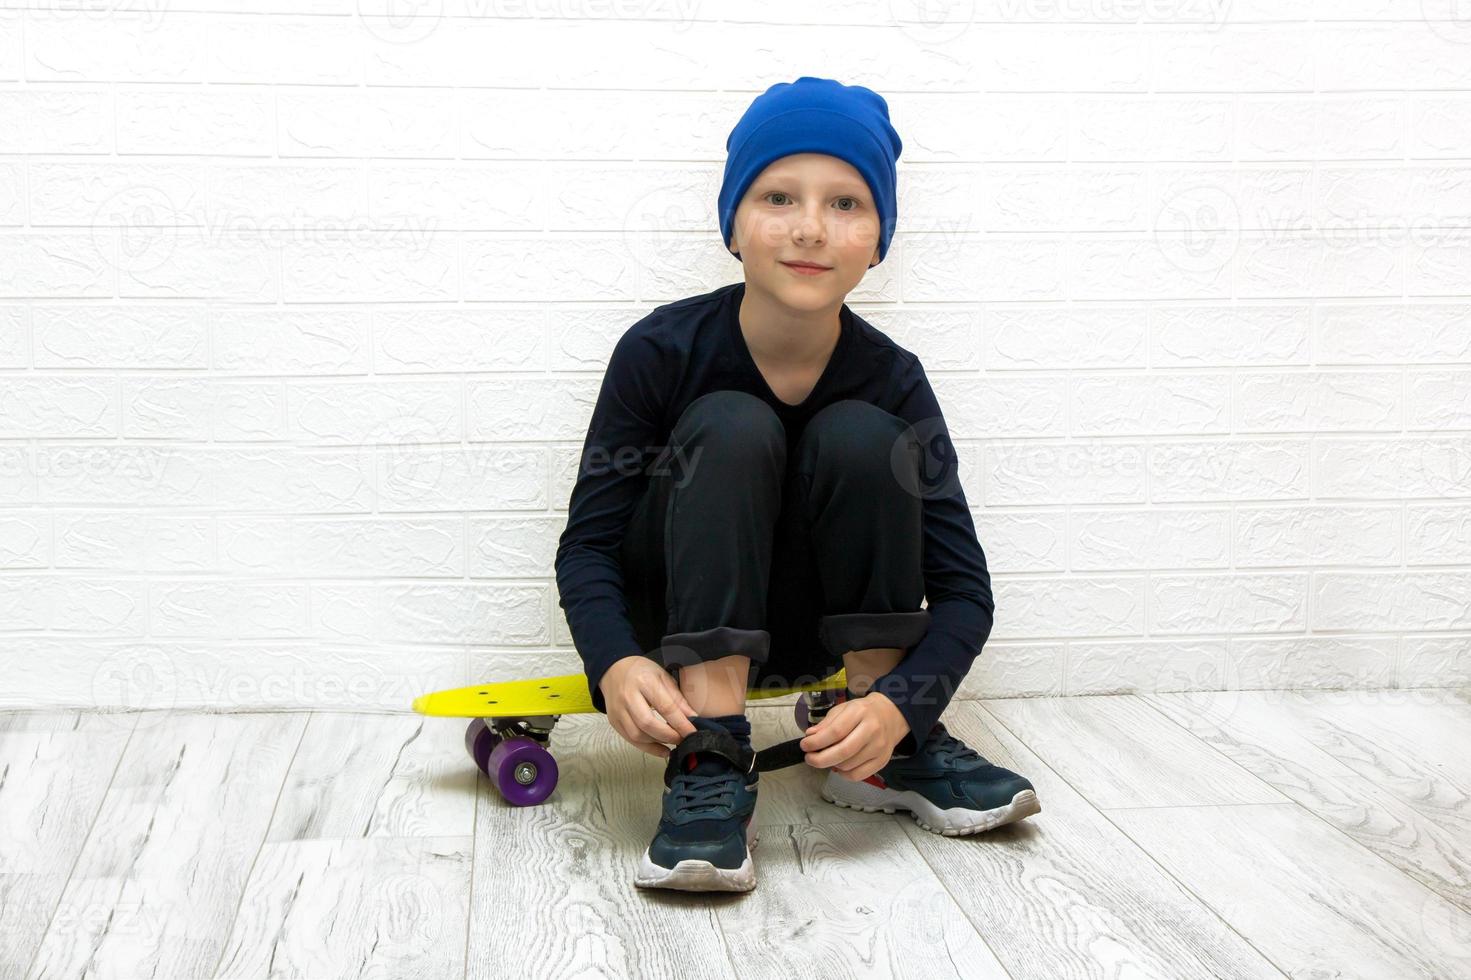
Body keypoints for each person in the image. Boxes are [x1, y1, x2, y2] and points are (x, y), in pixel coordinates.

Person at [554, 76, 1039, 894]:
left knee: (859, 434)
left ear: (879, 236)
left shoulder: (894, 379)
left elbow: (964, 592)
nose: (811, 228)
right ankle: (710, 746)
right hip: (678, 623)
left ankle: (880, 754)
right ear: (733, 224)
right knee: (732, 423)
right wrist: (615, 662)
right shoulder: (658, 351)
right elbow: (590, 545)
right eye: (779, 196)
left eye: (846, 204)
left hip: (820, 636)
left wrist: (902, 706)